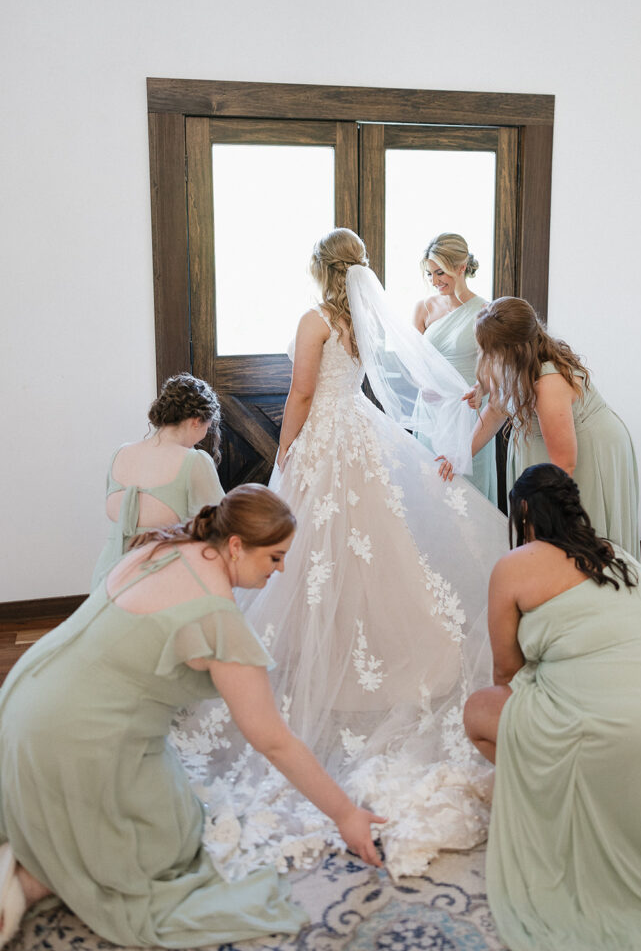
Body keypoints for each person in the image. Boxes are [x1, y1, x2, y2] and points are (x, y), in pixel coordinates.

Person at [175, 228, 509, 880]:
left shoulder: (315, 318)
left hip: (328, 438)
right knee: (373, 556)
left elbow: (300, 394)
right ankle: (371, 658)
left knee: (319, 556)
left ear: (318, 269)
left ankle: (317, 665)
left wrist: (283, 456)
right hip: (361, 433)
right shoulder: (360, 319)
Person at [0, 485, 384, 949]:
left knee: (178, 813)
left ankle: (37, 844)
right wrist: (345, 813)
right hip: (77, 732)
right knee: (157, 856)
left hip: (26, 692)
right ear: (237, 546)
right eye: (275, 558)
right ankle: (24, 880)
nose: (279, 571)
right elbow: (272, 740)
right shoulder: (215, 614)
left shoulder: (166, 546)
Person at [463, 464, 641, 950]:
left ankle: (560, 787)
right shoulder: (620, 554)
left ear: (523, 513)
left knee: (477, 712)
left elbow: (505, 672)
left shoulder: (516, 564)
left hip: (606, 728)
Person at [460, 296, 639, 559]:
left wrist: (535, 514)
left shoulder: (548, 383)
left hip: (587, 451)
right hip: (548, 449)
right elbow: (497, 409)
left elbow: (564, 464)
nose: (483, 355)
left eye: (489, 349)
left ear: (512, 350)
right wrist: (460, 456)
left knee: (574, 537)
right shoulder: (513, 363)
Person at [91, 373, 225, 590]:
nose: (206, 432)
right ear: (197, 421)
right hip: (160, 580)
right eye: (207, 426)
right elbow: (219, 527)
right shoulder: (194, 461)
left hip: (106, 579)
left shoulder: (121, 453)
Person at [413, 233, 496, 503]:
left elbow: (490, 368)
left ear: (461, 268)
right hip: (430, 410)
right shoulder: (424, 308)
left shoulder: (485, 311)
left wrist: (480, 388)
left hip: (467, 412)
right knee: (429, 493)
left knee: (466, 497)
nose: (435, 281)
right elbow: (414, 360)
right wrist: (422, 383)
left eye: (441, 273)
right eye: (430, 275)